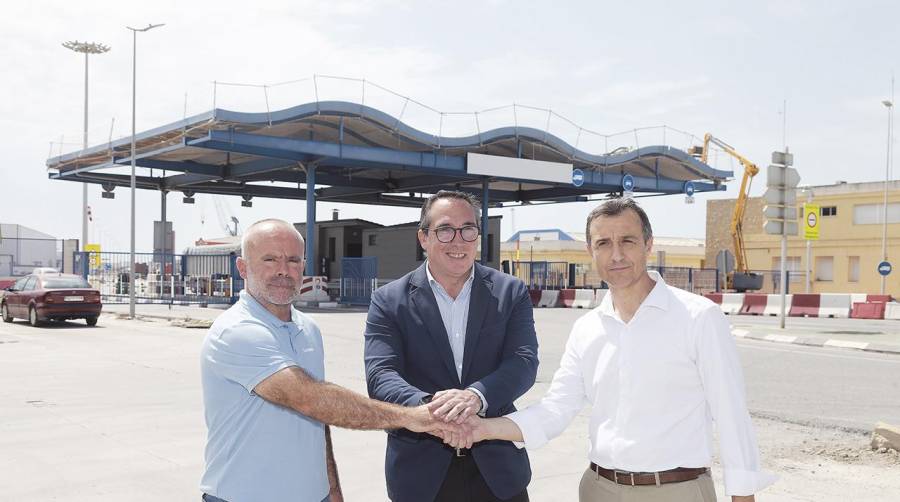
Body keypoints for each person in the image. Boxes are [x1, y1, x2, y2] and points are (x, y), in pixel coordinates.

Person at [453, 198, 776, 502]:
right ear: (590, 251)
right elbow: (556, 409)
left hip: (676, 490)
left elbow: (731, 414)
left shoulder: (699, 317)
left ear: (648, 245)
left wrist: (743, 494)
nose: (616, 255)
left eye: (628, 241)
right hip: (598, 489)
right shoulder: (587, 328)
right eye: (603, 243)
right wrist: (483, 429)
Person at [200, 219, 462, 502]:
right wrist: (410, 417)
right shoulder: (237, 331)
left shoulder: (308, 329)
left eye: (292, 260)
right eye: (269, 259)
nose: (282, 270)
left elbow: (319, 416)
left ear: (303, 266)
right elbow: (309, 398)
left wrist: (333, 489)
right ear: (242, 268)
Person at [364, 190, 539, 502]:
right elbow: (381, 375)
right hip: (421, 475)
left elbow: (523, 362)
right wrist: (436, 409)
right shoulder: (389, 300)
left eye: (468, 229)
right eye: (445, 230)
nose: (458, 241)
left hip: (498, 472)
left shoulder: (510, 292)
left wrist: (475, 397)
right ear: (424, 238)